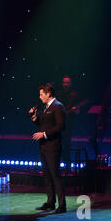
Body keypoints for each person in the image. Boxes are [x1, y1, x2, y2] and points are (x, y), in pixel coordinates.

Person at [29, 83, 66, 214]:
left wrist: (44, 134)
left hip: (53, 146)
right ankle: (51, 202)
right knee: (47, 175)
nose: (40, 97)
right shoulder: (46, 107)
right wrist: (34, 117)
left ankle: (62, 205)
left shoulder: (58, 107)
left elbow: (61, 126)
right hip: (44, 146)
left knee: (55, 175)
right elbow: (43, 124)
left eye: (41, 94)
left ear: (48, 93)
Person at [56, 75, 80, 173]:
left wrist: (76, 109)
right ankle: (57, 166)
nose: (66, 84)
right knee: (58, 145)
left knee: (66, 144)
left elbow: (79, 110)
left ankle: (68, 167)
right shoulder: (59, 94)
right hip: (58, 124)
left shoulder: (75, 95)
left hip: (69, 124)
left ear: (71, 84)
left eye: (67, 83)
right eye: (64, 83)